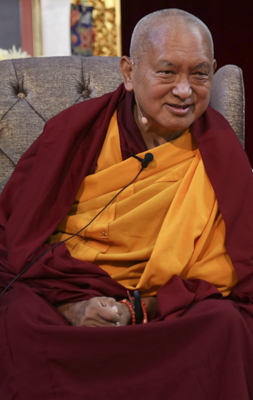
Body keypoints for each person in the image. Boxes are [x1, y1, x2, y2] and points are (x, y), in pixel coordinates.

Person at [1, 8, 253, 400]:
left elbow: (236, 273)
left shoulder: (222, 155)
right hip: (71, 294)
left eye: (200, 74)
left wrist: (139, 309)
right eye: (167, 72)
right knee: (17, 315)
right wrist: (72, 306)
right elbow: (15, 233)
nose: (185, 90)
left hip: (166, 313)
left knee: (224, 323)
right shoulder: (76, 132)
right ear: (128, 73)